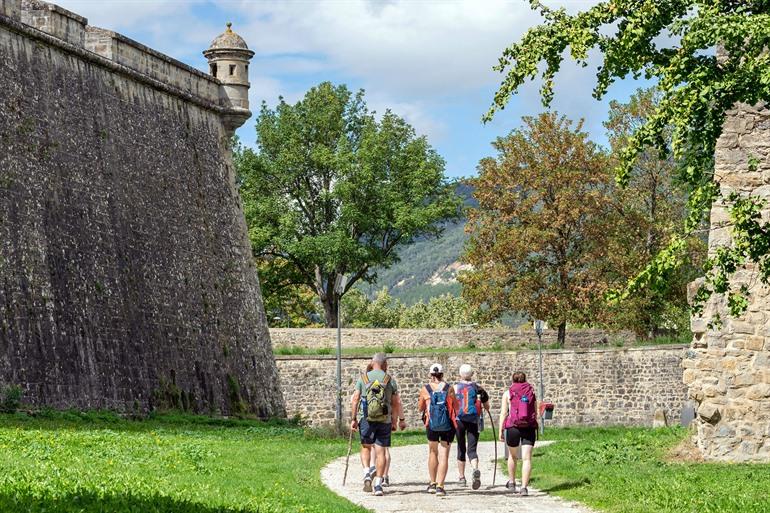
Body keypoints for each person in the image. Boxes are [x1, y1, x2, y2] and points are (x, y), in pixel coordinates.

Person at [350, 353, 406, 496]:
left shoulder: (363, 379)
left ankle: (367, 473)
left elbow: (355, 399)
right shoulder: (389, 380)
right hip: (384, 420)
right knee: (381, 452)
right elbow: (395, 403)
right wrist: (395, 420)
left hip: (366, 419)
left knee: (366, 447)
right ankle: (379, 485)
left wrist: (353, 419)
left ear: (372, 362)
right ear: (385, 364)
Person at [418, 363, 457, 497]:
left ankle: (432, 483)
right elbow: (456, 406)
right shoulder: (449, 388)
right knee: (444, 454)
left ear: (431, 374)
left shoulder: (425, 389)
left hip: (431, 424)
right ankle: (441, 486)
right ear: (442, 374)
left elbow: (420, 408)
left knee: (433, 452)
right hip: (448, 425)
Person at [498, 371, 538, 496]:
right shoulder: (531, 392)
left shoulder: (507, 393)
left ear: (513, 380)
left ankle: (512, 483)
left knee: (512, 456)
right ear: (525, 379)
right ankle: (524, 488)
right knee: (527, 458)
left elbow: (504, 413)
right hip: (529, 427)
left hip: (512, 427)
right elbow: (535, 412)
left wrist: (501, 430)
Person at [454, 363, 490, 490]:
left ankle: (461, 477)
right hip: (474, 420)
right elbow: (487, 407)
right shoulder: (478, 388)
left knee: (461, 448)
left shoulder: (455, 387)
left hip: (459, 421)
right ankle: (475, 469)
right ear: (472, 374)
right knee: (472, 449)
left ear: (460, 374)